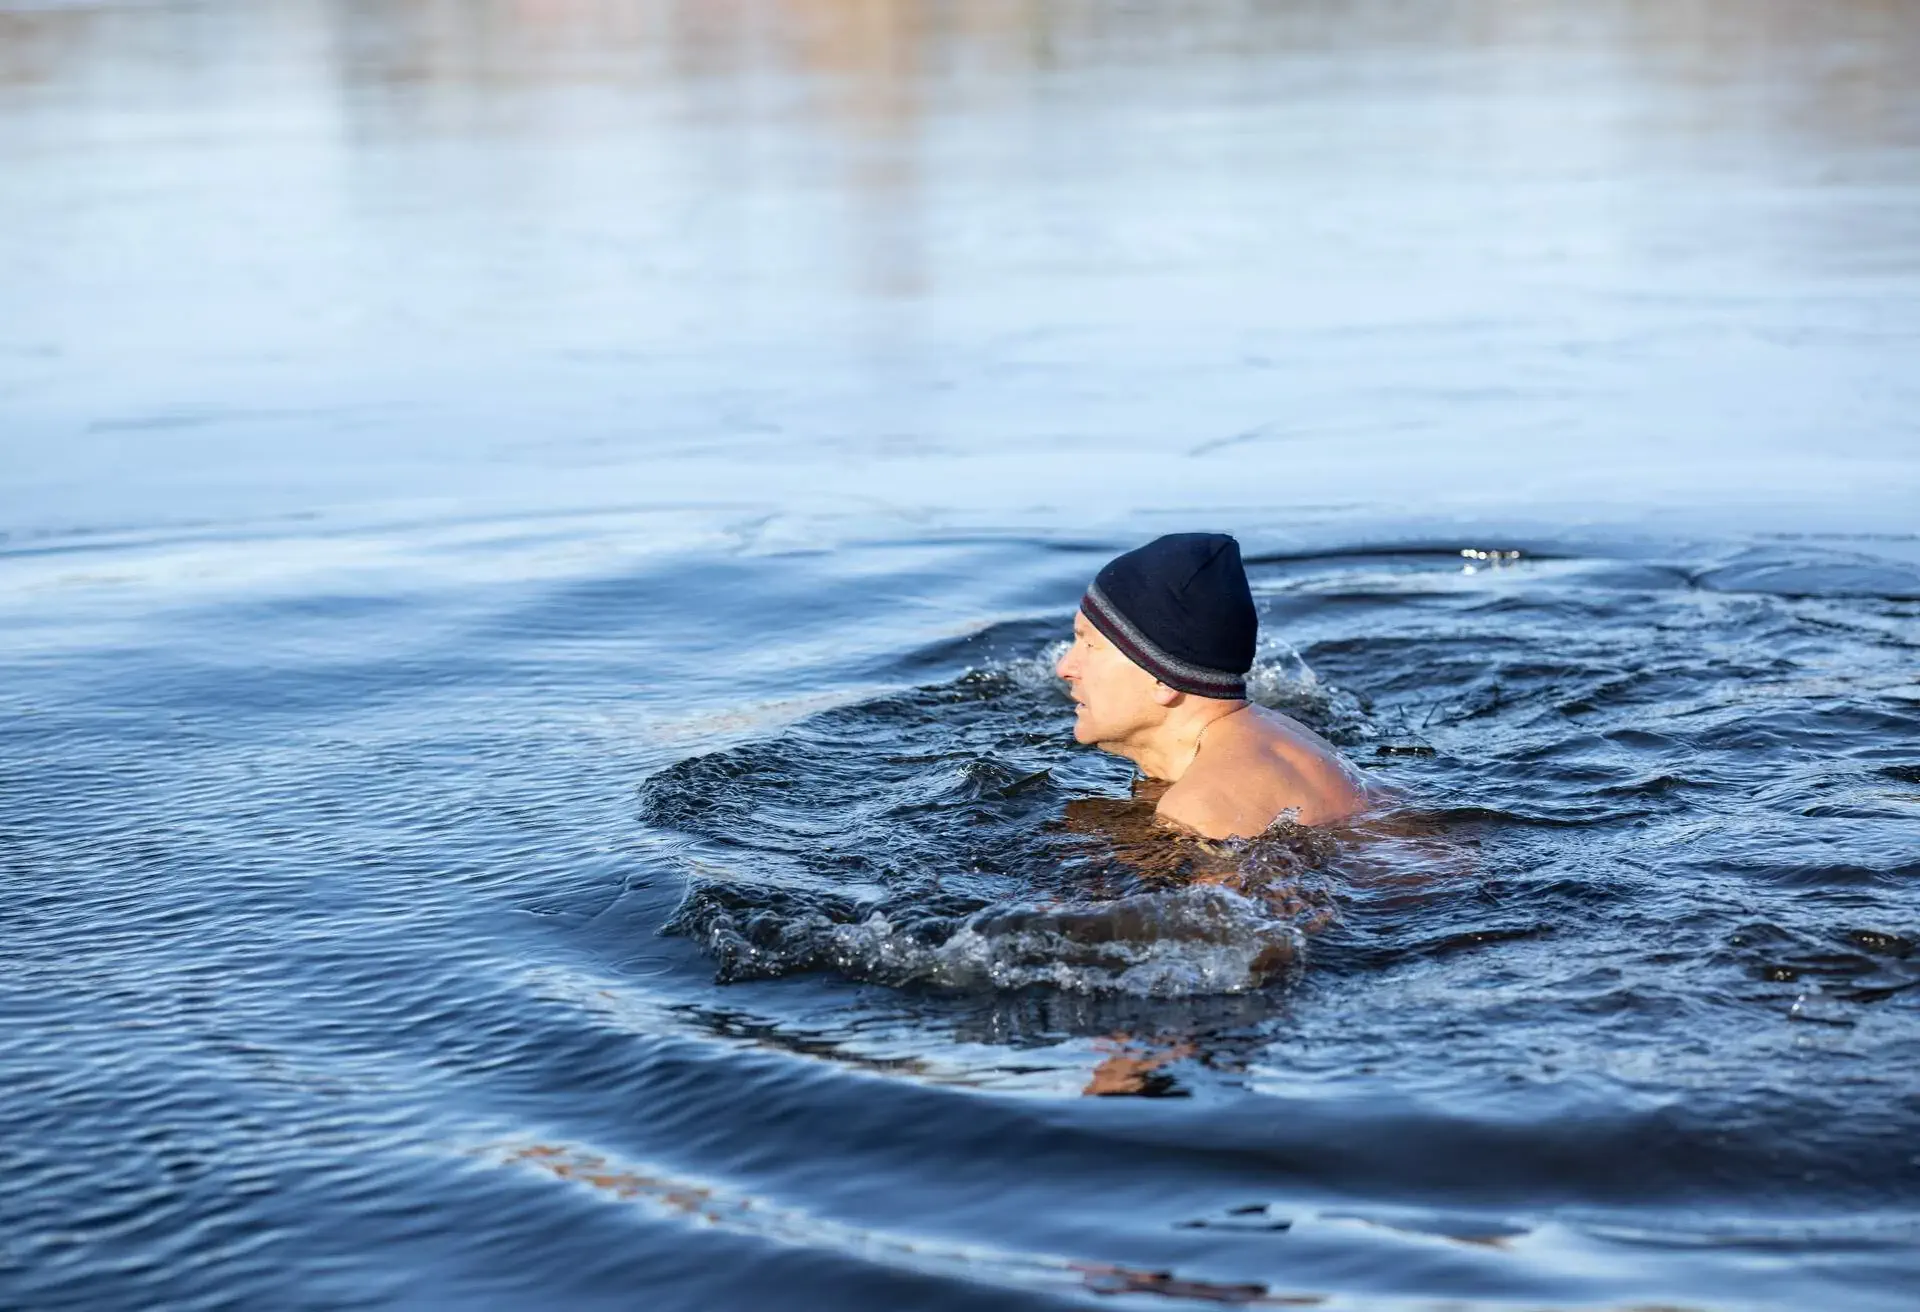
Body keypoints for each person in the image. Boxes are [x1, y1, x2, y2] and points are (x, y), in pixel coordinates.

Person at [1055, 532, 1372, 839]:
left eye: (1090, 645)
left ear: (1162, 677)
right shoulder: (1283, 740)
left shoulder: (1202, 809)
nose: (1065, 668)